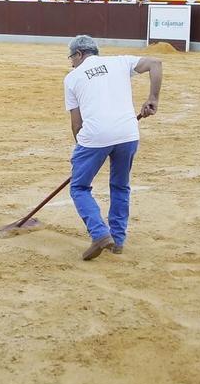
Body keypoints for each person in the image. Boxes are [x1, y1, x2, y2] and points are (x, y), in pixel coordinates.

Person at [63, 34, 163, 260]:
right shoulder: (120, 61)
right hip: (128, 134)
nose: (71, 63)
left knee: (78, 187)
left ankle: (99, 234)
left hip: (95, 136)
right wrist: (153, 98)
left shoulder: (72, 77)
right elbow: (155, 63)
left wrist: (84, 151)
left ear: (79, 54)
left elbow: (76, 124)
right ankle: (117, 239)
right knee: (120, 186)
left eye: (71, 58)